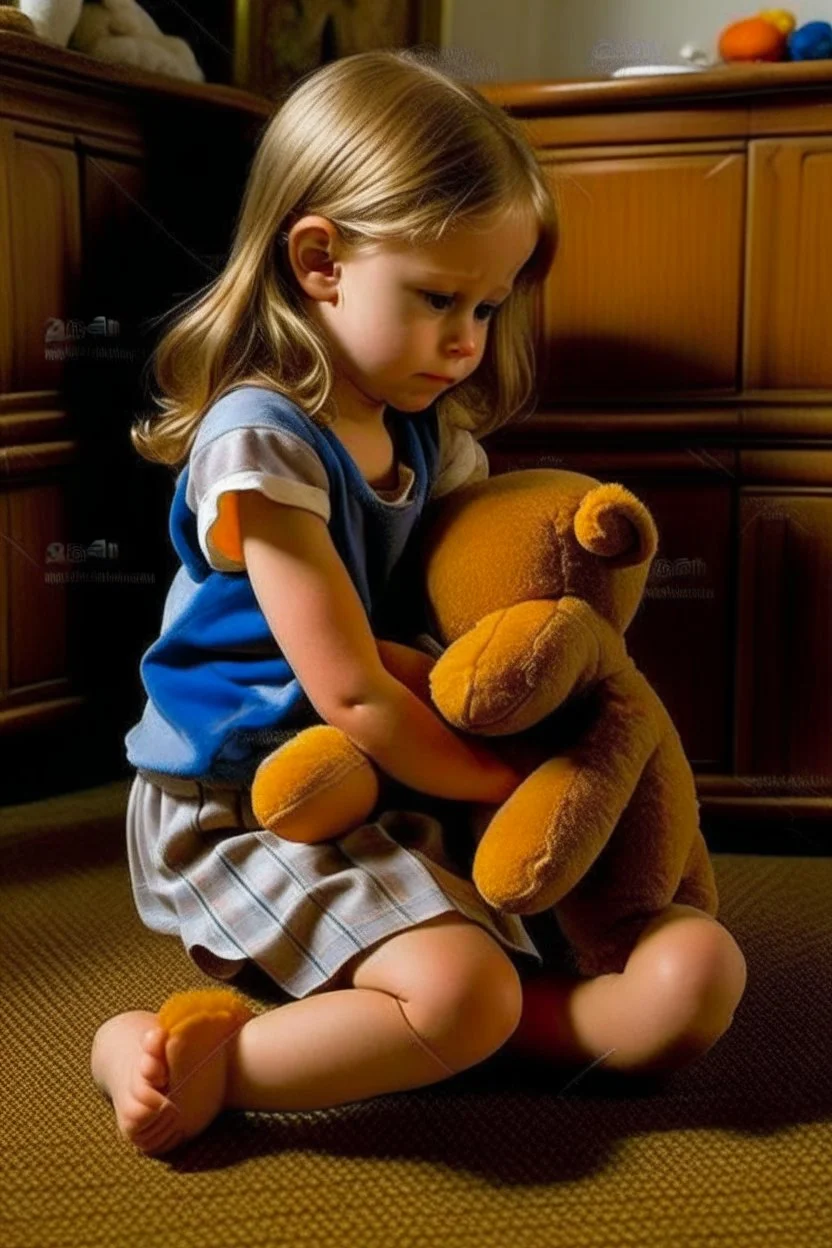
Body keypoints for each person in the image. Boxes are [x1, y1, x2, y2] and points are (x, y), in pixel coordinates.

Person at [90, 48, 747, 1157]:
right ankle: (184, 1054)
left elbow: (462, 618)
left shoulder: (425, 439)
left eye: (488, 305)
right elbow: (349, 691)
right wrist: (510, 786)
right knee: (462, 994)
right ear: (320, 262)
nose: (466, 340)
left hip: (390, 779)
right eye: (439, 299)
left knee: (615, 971)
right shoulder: (260, 443)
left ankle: (590, 1021)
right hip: (242, 799)